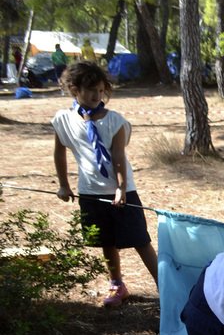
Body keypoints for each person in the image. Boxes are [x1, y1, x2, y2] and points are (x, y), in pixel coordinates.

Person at [52, 61, 159, 307]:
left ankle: (164, 286)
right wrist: (63, 184)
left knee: (140, 240)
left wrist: (121, 188)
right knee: (106, 241)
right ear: (74, 89)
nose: (96, 96)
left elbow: (118, 157)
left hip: (122, 191)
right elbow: (60, 152)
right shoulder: (63, 120)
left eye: (101, 91)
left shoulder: (115, 121)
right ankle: (117, 285)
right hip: (90, 191)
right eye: (90, 90)